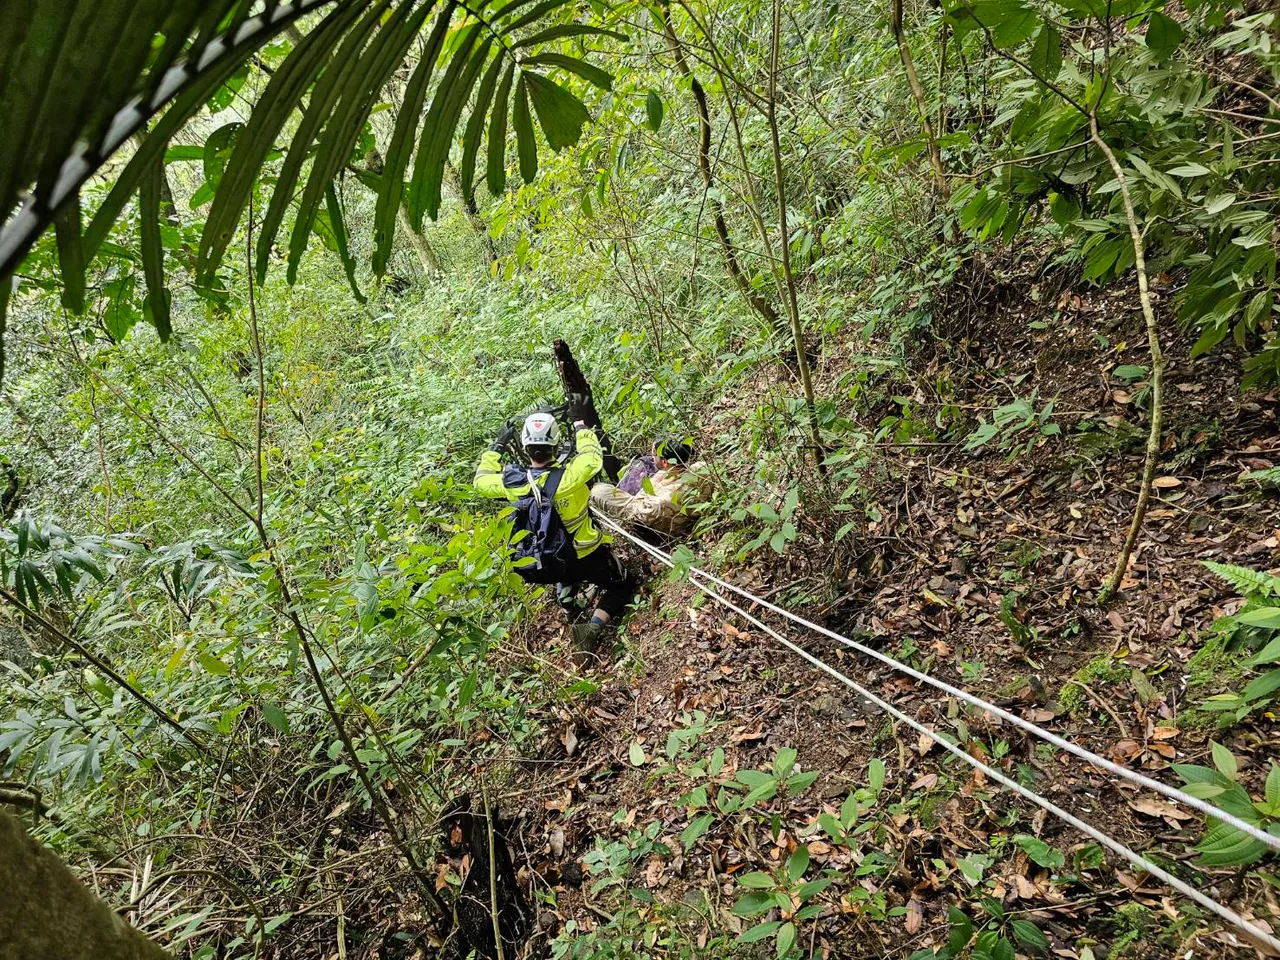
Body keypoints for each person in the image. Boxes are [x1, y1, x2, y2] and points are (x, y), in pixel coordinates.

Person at [474, 401, 634, 652]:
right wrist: (580, 425)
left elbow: (481, 481)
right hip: (588, 554)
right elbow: (592, 457)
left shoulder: (514, 484)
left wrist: (496, 448)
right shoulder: (571, 476)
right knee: (623, 584)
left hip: (549, 560)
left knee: (567, 569)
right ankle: (591, 629)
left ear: (525, 448)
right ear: (556, 445)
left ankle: (568, 600)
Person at [590, 436, 706, 536]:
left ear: (665, 461)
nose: (652, 456)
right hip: (674, 504)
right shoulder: (703, 467)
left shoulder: (656, 504)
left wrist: (655, 480)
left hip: (651, 517)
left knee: (598, 490)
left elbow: (636, 505)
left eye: (654, 454)